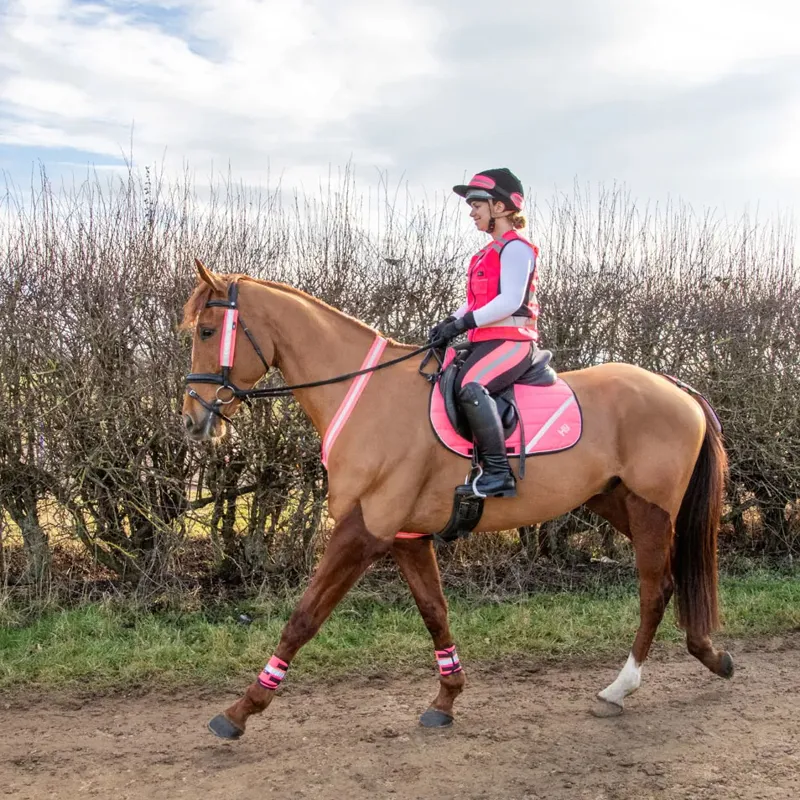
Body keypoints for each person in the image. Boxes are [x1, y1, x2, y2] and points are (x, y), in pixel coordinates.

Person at [429, 168, 540, 498]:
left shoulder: (516, 249)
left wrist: (465, 323)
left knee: (470, 387)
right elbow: (477, 302)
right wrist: (450, 321)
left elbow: (510, 301)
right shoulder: (485, 254)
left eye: (478, 204)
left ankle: (497, 472)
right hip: (486, 341)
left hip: (513, 342)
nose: (471, 211)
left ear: (501, 208)